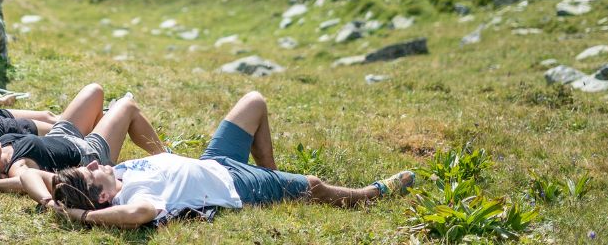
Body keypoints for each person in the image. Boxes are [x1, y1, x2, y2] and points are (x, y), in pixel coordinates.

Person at [29, 91, 414, 228]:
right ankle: (369, 194)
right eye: (92, 172)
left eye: (90, 164)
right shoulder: (131, 199)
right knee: (313, 186)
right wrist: (81, 217)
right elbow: (139, 215)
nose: (96, 163)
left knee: (254, 102)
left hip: (216, 160)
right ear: (99, 198)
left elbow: (32, 176)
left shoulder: (115, 178)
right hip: (233, 185)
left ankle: (273, 177)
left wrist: (46, 196)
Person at [0, 83, 167, 189]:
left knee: (94, 90)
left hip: (62, 133)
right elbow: (25, 182)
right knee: (127, 106)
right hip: (86, 151)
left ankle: (113, 126)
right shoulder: (17, 168)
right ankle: (168, 159)